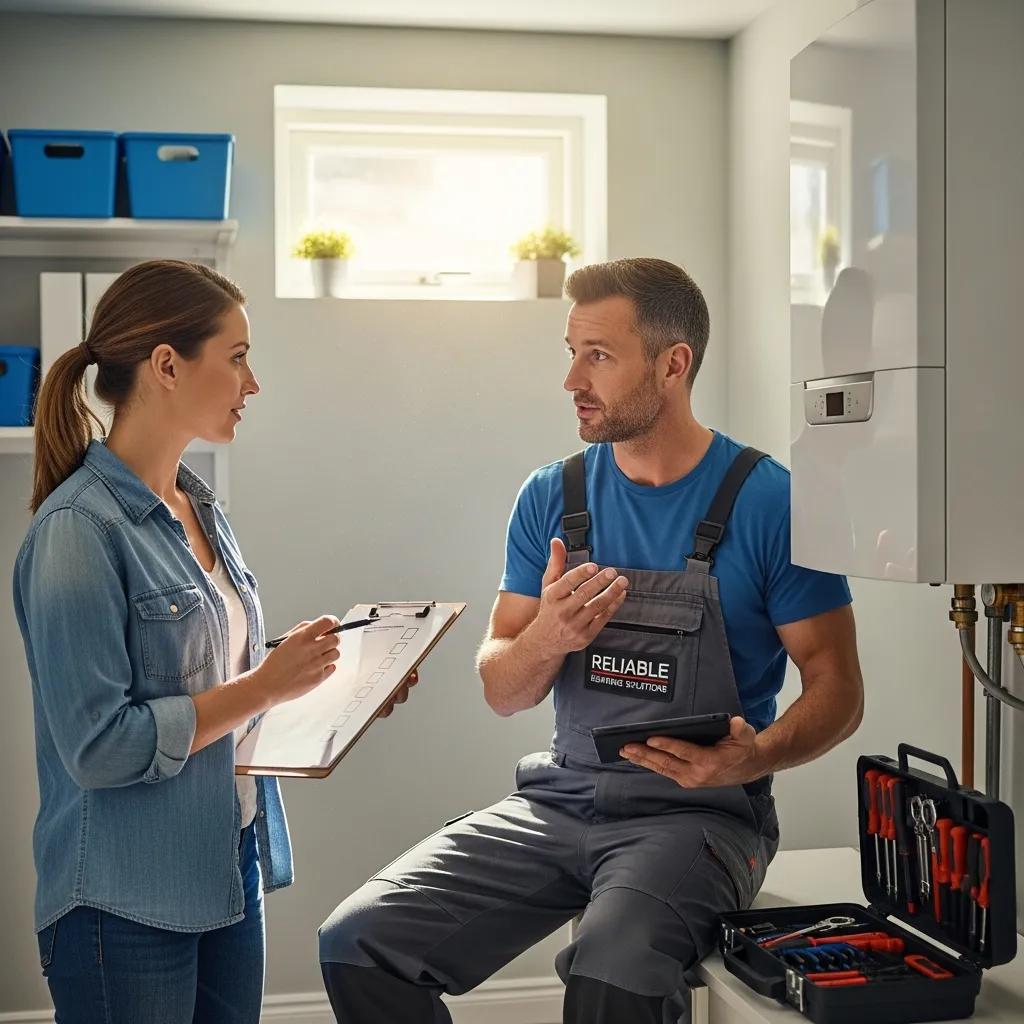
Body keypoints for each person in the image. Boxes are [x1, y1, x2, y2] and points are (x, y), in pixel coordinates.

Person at [317, 257, 864, 1024]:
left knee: (616, 970)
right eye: (570, 352)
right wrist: (547, 636)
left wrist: (757, 755)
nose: (573, 378)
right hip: (558, 800)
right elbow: (501, 688)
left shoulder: (773, 502)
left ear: (673, 365)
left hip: (698, 818)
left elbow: (838, 687)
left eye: (598, 356)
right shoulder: (551, 497)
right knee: (358, 942)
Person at [13, 259, 416, 1024]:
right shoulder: (76, 533)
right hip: (122, 903)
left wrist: (335, 680)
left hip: (228, 870)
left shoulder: (201, 508)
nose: (252, 383)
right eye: (237, 357)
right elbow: (100, 747)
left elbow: (213, 691)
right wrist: (266, 685)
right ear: (167, 365)